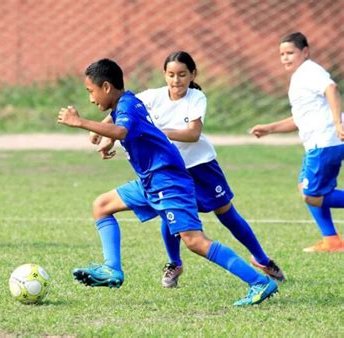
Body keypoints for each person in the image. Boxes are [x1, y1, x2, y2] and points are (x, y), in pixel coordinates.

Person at [57, 58, 278, 306]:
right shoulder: (126, 103)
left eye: (91, 91)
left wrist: (80, 122)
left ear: (106, 87)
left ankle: (259, 282)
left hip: (168, 181)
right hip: (151, 180)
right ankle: (112, 269)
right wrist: (106, 137)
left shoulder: (128, 105)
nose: (90, 98)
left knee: (195, 241)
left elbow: (122, 132)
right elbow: (122, 130)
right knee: (102, 205)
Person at [132, 51, 285, 288]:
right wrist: (101, 132)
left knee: (227, 214)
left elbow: (193, 134)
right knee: (171, 215)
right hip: (170, 169)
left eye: (182, 74)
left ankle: (262, 260)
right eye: (171, 75)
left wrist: (157, 133)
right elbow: (124, 108)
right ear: (164, 75)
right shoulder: (153, 97)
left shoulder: (196, 98)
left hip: (201, 166)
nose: (176, 80)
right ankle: (174, 263)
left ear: (192, 74)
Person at [250, 32, 344, 253]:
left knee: (312, 196)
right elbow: (301, 118)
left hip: (325, 142)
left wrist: (337, 123)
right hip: (318, 143)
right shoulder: (300, 77)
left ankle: (332, 239)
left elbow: (331, 89)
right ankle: (331, 240)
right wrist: (270, 128)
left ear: (305, 51)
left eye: (290, 52)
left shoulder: (310, 71)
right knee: (304, 185)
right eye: (282, 54)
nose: (285, 58)